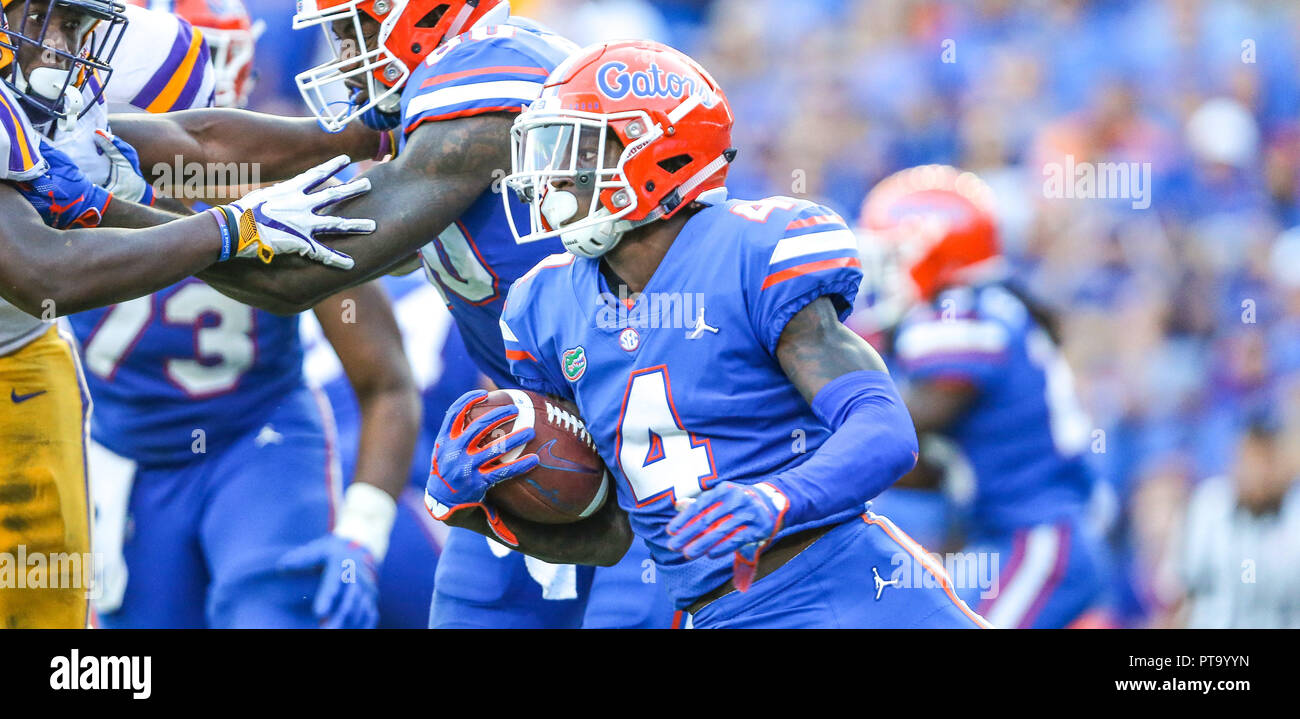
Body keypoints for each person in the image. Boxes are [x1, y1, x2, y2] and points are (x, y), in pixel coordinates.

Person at [427, 39, 992, 628]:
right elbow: (612, 537)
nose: (552, 176)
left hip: (842, 590)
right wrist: (478, 512)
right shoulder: (544, 307)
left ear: (661, 155)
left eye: (578, 149)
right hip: (718, 615)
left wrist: (777, 499)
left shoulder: (753, 251)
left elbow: (885, 429)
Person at [0, 0, 372, 628]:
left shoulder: (56, 111)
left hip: (34, 366)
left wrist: (374, 132)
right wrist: (228, 231)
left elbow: (193, 140)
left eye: (81, 26)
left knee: (44, 621)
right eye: (61, 22)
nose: (76, 52)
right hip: (111, 432)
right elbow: (42, 270)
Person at [857, 164, 1107, 628]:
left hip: (1039, 538)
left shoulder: (963, 311)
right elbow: (919, 460)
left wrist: (821, 423)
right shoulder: (989, 306)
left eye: (892, 257)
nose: (883, 276)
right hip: (1006, 537)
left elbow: (913, 418)